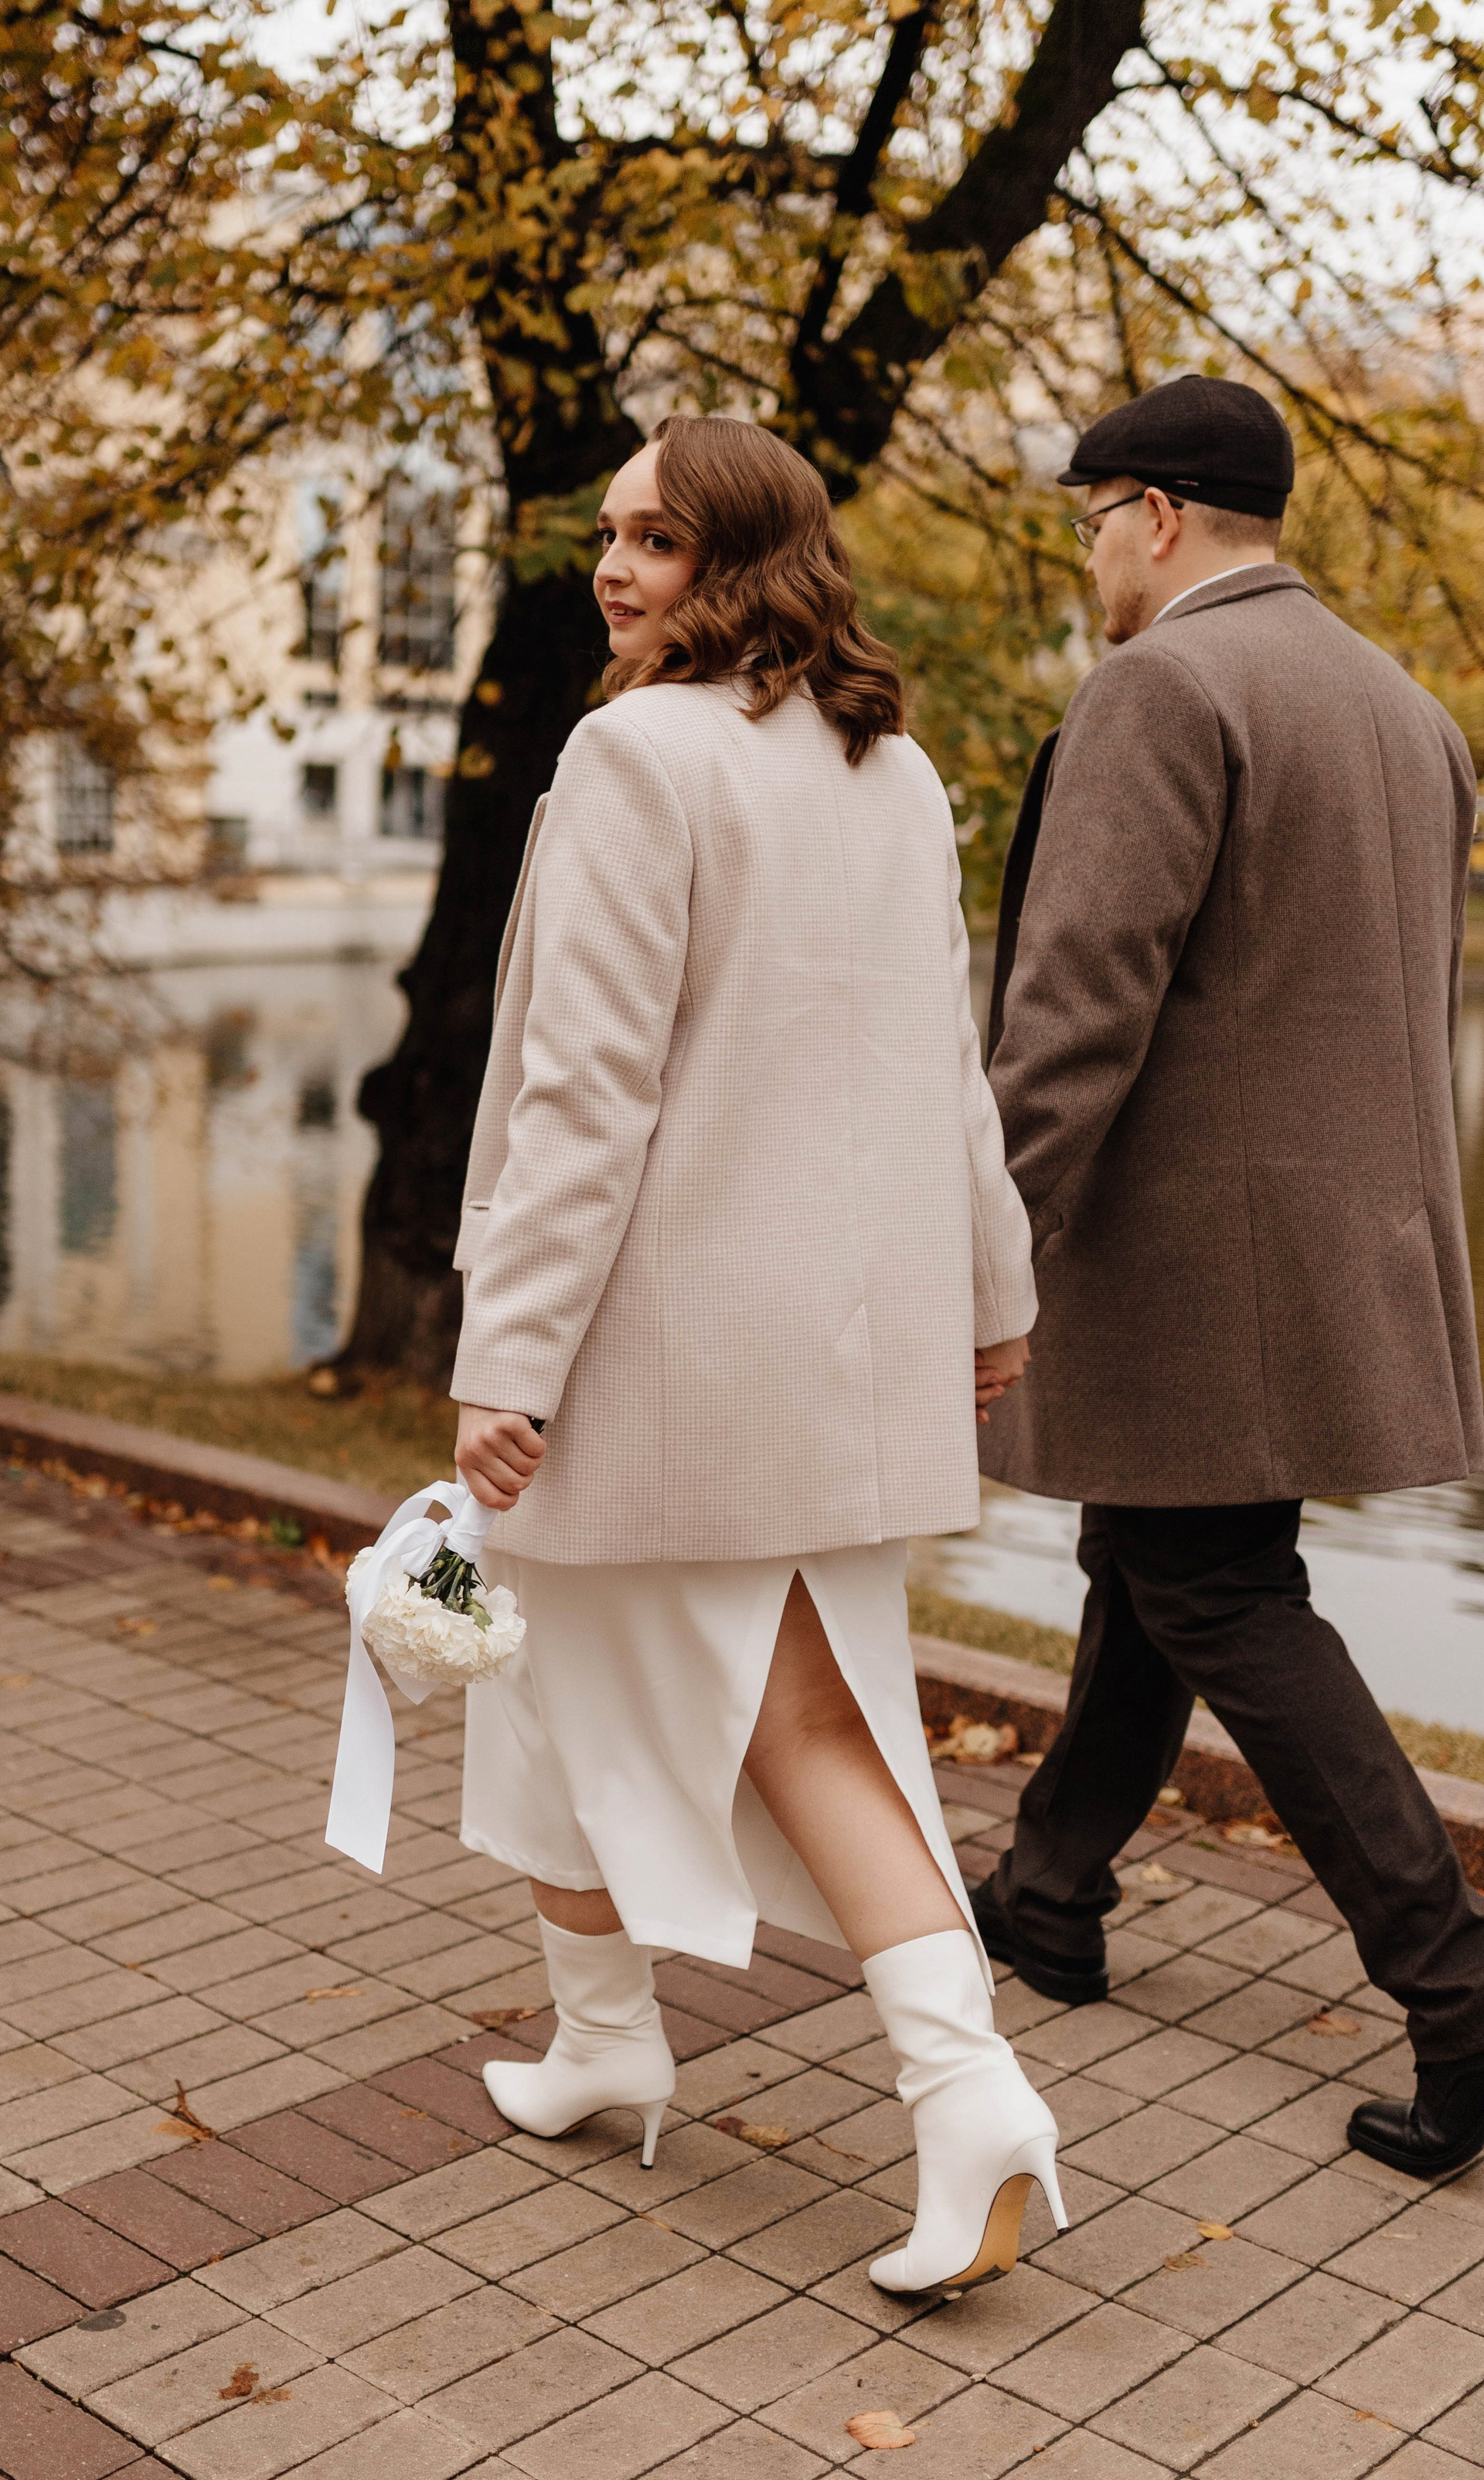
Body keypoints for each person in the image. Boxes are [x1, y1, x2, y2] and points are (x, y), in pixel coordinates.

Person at [444, 413, 1061, 2298]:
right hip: (822, 1349)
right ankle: (603, 2039)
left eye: (662, 540)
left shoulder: (634, 754)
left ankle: (971, 2103)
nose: (618, 568)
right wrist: (990, 1290)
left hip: (667, 1352)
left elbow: (582, 1093)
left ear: (748, 562)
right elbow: (946, 1075)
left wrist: (508, 1353)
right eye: (612, 535)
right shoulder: (895, 770)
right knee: (535, 1673)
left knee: (798, 1723)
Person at [975, 372, 1484, 2180]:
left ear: (1160, 515)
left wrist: (978, 1234)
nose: (1086, 555)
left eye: (1089, 516)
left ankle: (1455, 1981)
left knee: (1215, 1584)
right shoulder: (1403, 707)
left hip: (1195, 1262)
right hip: (1334, 1251)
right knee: (1157, 1555)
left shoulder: (1160, 685)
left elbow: (1072, 1008)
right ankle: (1047, 1889)